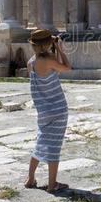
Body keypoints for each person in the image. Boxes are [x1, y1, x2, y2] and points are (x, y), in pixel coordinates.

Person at [25, 29, 72, 193]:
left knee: (40, 142)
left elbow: (56, 72)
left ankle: (30, 178)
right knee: (53, 147)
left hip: (43, 111)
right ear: (47, 44)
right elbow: (66, 68)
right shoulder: (49, 60)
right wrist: (59, 49)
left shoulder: (31, 62)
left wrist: (54, 51)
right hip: (58, 110)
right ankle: (52, 185)